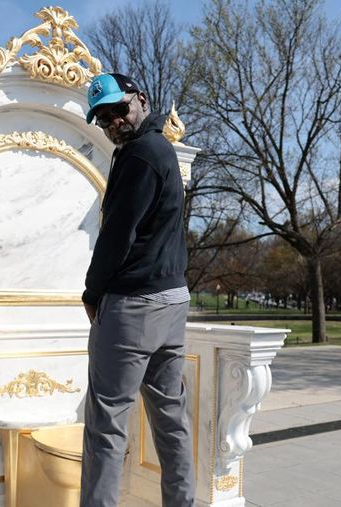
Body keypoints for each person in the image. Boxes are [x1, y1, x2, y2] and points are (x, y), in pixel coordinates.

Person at [80, 73, 193, 506]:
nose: (113, 122)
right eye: (104, 118)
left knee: (106, 426)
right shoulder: (159, 149)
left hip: (134, 306)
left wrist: (92, 294)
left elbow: (117, 236)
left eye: (118, 109)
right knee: (171, 420)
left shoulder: (141, 155)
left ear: (140, 100)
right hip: (172, 299)